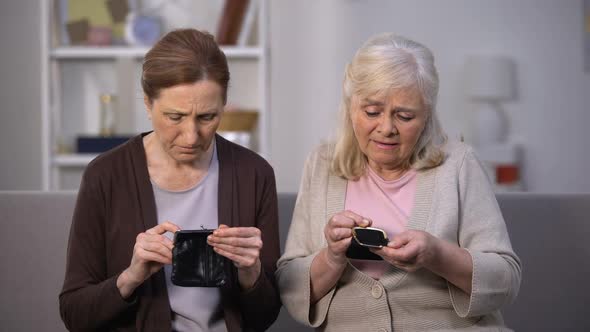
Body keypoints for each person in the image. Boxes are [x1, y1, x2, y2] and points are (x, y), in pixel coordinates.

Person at [276, 33, 522, 331]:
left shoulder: (458, 164)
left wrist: (436, 253)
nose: (387, 128)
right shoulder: (321, 165)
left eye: (405, 116)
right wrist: (332, 257)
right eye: (372, 112)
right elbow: (289, 286)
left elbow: (506, 279)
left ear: (427, 114)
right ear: (350, 106)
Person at [59, 29, 281, 332]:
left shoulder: (254, 174)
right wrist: (131, 276)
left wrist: (251, 273)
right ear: (148, 104)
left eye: (207, 117)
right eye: (175, 117)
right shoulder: (106, 175)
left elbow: (264, 317)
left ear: (224, 105)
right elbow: (74, 314)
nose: (191, 137)